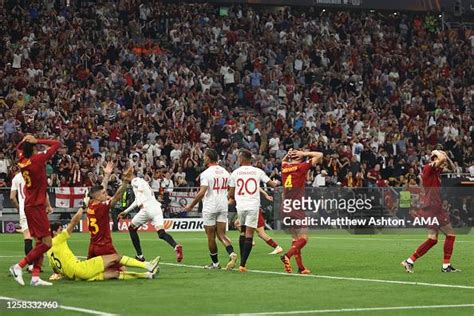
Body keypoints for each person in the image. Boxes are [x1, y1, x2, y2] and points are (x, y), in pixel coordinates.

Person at [48, 200, 160, 282]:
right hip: (81, 268)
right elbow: (73, 223)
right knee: (115, 257)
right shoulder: (58, 239)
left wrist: (58, 275)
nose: (62, 230)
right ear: (54, 233)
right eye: (60, 229)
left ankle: (147, 275)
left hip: (74, 277)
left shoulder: (48, 249)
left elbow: (55, 267)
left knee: (114, 274)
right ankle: (148, 265)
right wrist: (83, 207)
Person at [10, 135, 61, 286]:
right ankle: (18, 266)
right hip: (37, 206)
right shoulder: (37, 160)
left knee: (40, 242)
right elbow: (56, 144)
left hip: (30, 205)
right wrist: (37, 140)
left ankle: (35, 277)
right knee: (47, 243)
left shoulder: (21, 160)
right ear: (33, 148)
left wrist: (24, 140)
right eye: (36, 146)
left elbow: (18, 149)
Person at [401, 150, 460, 273]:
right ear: (435, 159)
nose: (443, 165)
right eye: (439, 160)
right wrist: (436, 152)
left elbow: (453, 168)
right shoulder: (429, 167)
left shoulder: (436, 170)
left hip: (431, 206)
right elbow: (441, 160)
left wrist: (447, 157)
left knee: (432, 239)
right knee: (451, 235)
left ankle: (409, 261)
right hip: (434, 207)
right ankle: (446, 266)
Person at [184, 148, 238, 270]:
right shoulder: (225, 172)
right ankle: (231, 253)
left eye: (204, 156)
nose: (203, 158)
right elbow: (232, 188)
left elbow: (202, 192)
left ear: (208, 157)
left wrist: (191, 206)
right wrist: (228, 197)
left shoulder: (206, 174)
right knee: (222, 234)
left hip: (210, 206)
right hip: (223, 205)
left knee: (211, 237)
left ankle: (215, 264)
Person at [228, 149, 279, 272]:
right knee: (249, 234)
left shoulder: (235, 173)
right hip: (252, 206)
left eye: (239, 157)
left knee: (242, 232)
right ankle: (242, 264)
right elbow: (272, 185)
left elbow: (231, 192)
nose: (238, 159)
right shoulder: (257, 171)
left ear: (243, 159)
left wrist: (232, 198)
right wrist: (276, 181)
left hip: (241, 206)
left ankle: (241, 261)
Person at [119, 176, 183, 262]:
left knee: (131, 228)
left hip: (147, 208)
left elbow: (140, 187)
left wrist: (141, 196)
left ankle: (140, 256)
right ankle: (176, 246)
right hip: (156, 208)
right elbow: (136, 201)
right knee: (161, 233)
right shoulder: (142, 185)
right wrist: (126, 211)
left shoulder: (135, 180)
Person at [280, 149, 323, 274]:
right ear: (298, 157)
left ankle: (301, 267)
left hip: (285, 206)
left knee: (295, 238)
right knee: (304, 238)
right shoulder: (301, 167)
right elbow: (320, 155)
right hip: (296, 206)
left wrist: (288, 155)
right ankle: (287, 256)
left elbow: (283, 161)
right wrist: (304, 154)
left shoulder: (284, 167)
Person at [86, 163, 134, 266]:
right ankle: (147, 269)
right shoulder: (102, 207)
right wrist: (125, 181)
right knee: (120, 268)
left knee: (90, 270)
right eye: (104, 194)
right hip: (104, 245)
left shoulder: (91, 204)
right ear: (98, 197)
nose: (106, 194)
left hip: (92, 245)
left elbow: (101, 189)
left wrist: (107, 175)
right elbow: (117, 197)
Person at [234, 188, 283, 255]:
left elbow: (258, 187)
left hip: (254, 210)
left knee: (261, 233)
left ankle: (277, 247)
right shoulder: (247, 184)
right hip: (249, 209)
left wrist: (266, 195)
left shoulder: (249, 183)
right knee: (237, 223)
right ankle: (250, 240)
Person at [10, 171, 33, 272]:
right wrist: (48, 206)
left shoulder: (16, 178)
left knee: (27, 237)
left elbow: (12, 198)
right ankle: (37, 265)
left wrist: (19, 208)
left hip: (24, 209)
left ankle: (31, 266)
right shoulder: (33, 174)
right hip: (36, 207)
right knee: (41, 238)